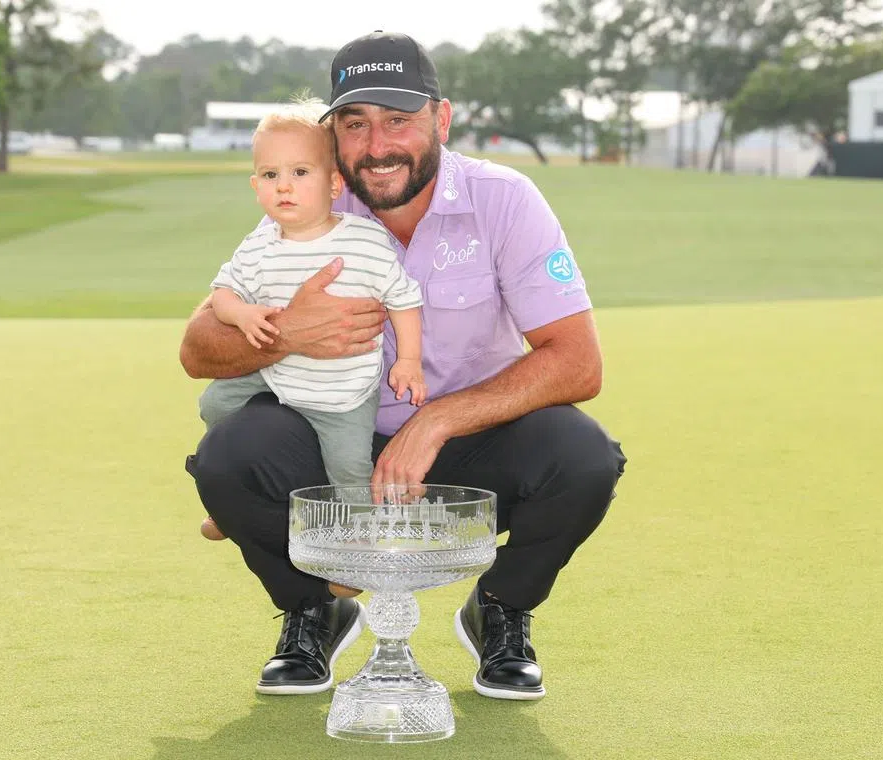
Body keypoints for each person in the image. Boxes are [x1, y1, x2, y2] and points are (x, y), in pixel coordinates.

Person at [181, 30, 627, 700]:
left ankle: (500, 608)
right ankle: (314, 608)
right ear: (332, 136)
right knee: (226, 456)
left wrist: (438, 421)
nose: (377, 145)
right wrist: (285, 334)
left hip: (468, 445)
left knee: (585, 457)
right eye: (355, 125)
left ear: (440, 119)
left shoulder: (503, 199)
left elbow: (579, 363)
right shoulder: (309, 201)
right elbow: (197, 350)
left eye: (399, 120)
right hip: (332, 434)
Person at [196, 98, 426, 546]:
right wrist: (242, 314)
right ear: (255, 185)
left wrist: (410, 360)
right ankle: (225, 502)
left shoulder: (363, 239)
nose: (284, 186)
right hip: (277, 375)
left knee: (348, 468)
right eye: (270, 175)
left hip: (343, 392)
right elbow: (222, 294)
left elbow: (404, 297)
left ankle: (361, 542)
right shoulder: (260, 243)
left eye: (300, 173)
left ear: (334, 183)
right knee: (214, 404)